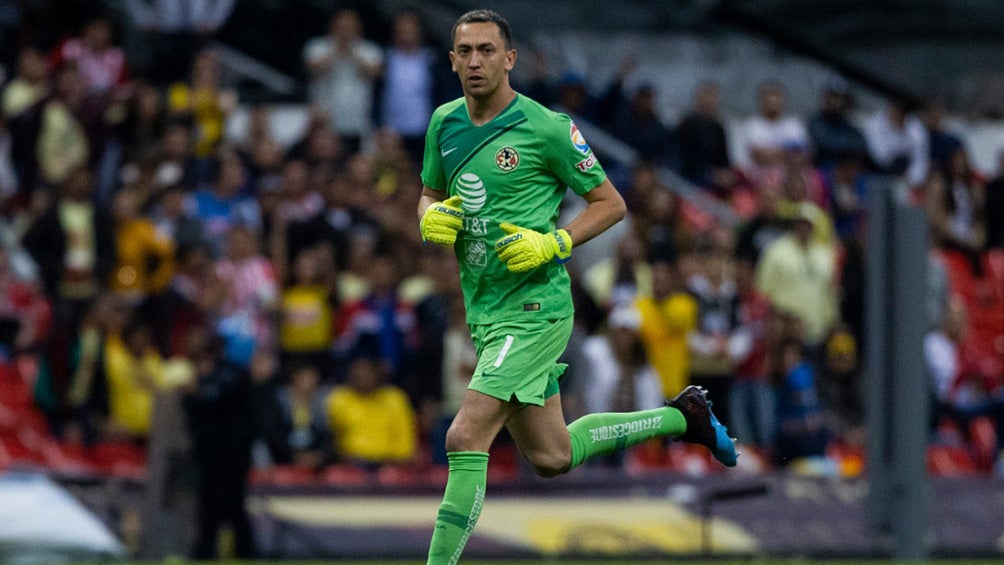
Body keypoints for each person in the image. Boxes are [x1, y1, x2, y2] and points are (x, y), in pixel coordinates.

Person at [416, 11, 736, 564]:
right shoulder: (444, 123)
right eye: (464, 51)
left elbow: (611, 203)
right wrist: (427, 216)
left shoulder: (546, 128)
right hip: (485, 310)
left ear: (509, 59)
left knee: (464, 437)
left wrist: (555, 244)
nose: (474, 61)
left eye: (486, 50)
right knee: (552, 455)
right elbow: (428, 194)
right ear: (451, 59)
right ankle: (683, 417)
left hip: (536, 307)